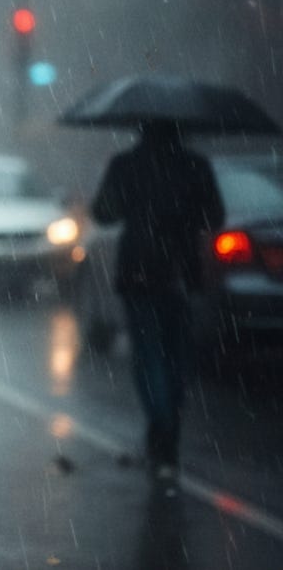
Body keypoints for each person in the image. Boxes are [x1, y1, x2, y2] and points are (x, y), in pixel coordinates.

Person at [91, 122, 223, 479]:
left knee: (149, 354)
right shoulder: (196, 165)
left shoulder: (125, 164)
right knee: (175, 353)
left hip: (138, 269)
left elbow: (102, 213)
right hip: (180, 270)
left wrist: (131, 200)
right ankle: (167, 431)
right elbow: (215, 217)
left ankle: (161, 429)